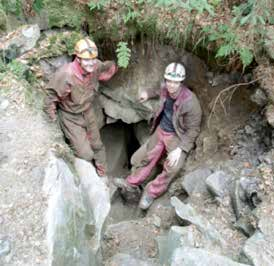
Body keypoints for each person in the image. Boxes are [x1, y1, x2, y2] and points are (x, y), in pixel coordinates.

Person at [114, 62, 202, 209]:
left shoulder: (190, 102)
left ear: (181, 82)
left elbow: (193, 130)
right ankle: (131, 183)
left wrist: (180, 149)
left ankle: (151, 192)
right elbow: (158, 90)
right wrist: (147, 94)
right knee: (146, 157)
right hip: (161, 130)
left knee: (173, 167)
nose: (171, 85)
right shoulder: (165, 89)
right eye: (169, 81)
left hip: (176, 136)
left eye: (175, 82)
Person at [44, 38, 117, 176]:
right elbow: (50, 96)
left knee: (97, 145)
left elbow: (107, 67)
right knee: (86, 154)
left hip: (88, 110)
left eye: (93, 59)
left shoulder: (95, 66)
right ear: (78, 59)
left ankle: (103, 174)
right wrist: (52, 118)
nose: (91, 62)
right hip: (70, 116)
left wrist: (113, 66)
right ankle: (87, 170)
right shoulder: (66, 75)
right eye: (87, 59)